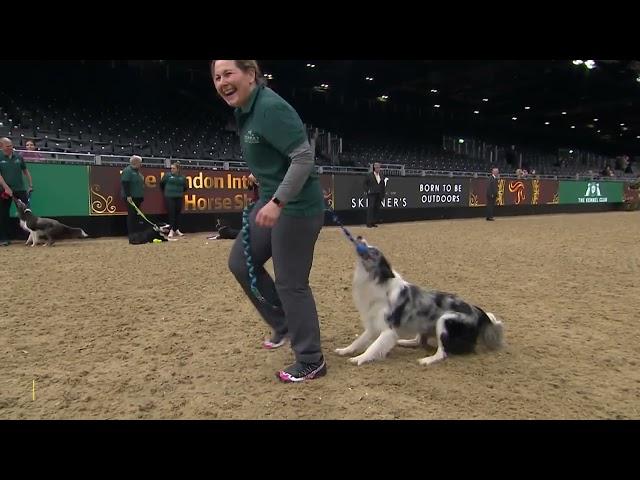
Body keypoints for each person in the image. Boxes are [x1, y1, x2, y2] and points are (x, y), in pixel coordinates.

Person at [212, 59, 326, 383]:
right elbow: (274, 153)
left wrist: (277, 201)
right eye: (217, 77)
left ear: (251, 74)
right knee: (239, 263)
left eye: (228, 73)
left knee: (291, 283)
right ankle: (284, 323)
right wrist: (262, 178)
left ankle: (311, 359)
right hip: (270, 199)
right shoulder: (246, 109)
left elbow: (303, 157)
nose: (222, 81)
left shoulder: (269, 108)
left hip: (296, 207)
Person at [0, 137, 33, 246]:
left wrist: (30, 184)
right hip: (4, 191)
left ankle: (29, 237)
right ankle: (3, 238)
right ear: (2, 146)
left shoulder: (19, 157)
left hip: (20, 189)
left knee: (26, 212)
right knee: (3, 214)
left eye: (11, 145)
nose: (10, 148)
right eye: (7, 146)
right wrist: (6, 188)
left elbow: (25, 170)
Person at [120, 155, 145, 243]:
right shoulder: (128, 171)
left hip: (138, 197)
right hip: (131, 197)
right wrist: (128, 196)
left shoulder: (138, 172)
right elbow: (125, 183)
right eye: (140, 163)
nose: (141, 164)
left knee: (136, 216)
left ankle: (136, 233)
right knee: (132, 215)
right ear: (135, 162)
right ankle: (131, 234)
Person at [160, 162, 187, 238]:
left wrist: (178, 192)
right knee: (171, 213)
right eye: (171, 168)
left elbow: (185, 187)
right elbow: (162, 184)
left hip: (179, 197)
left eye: (173, 168)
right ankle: (171, 230)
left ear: (178, 169)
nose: (172, 169)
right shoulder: (167, 176)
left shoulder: (183, 177)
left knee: (178, 213)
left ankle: (176, 229)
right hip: (169, 197)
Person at [363, 162, 386, 228]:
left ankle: (373, 222)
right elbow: (364, 184)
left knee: (376, 209)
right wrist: (368, 190)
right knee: (371, 208)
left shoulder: (381, 175)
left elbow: (383, 186)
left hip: (379, 194)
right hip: (372, 194)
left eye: (379, 167)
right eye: (377, 167)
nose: (378, 169)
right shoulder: (369, 175)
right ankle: (368, 223)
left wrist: (383, 195)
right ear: (374, 168)